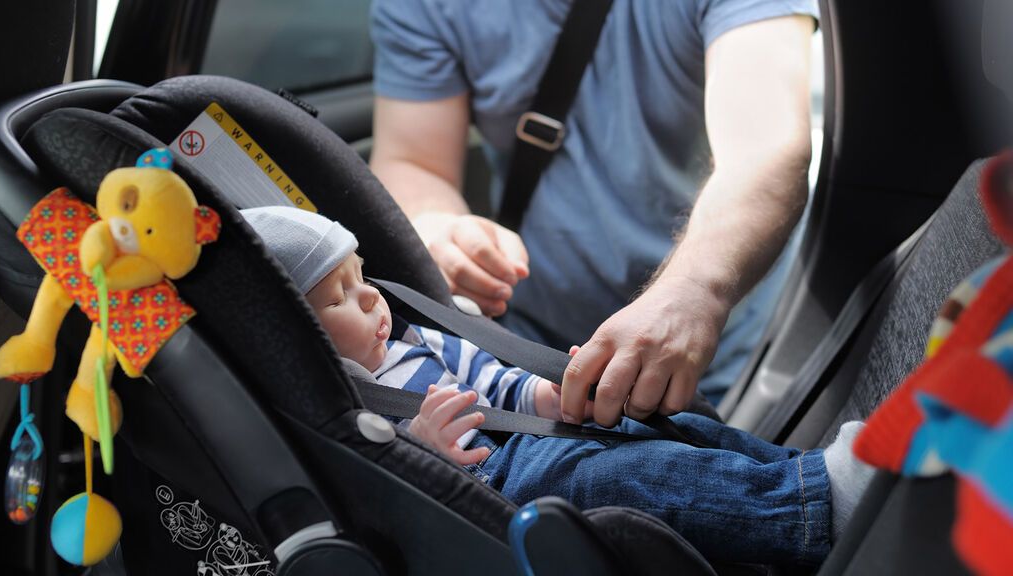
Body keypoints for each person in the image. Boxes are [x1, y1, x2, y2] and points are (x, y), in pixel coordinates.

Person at [241, 206, 873, 565]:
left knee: (669, 429)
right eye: (340, 298)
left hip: (533, 435)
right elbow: (393, 481)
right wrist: (429, 447)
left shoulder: (416, 341)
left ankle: (806, 476)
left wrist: (550, 395)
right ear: (299, 333)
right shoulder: (346, 404)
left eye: (362, 278)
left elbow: (492, 381)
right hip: (497, 480)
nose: (372, 299)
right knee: (623, 478)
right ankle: (809, 509)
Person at [367, 0, 819, 421]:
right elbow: (412, 160)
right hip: (532, 348)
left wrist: (696, 290)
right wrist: (437, 225)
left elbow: (767, 149)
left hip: (719, 347)